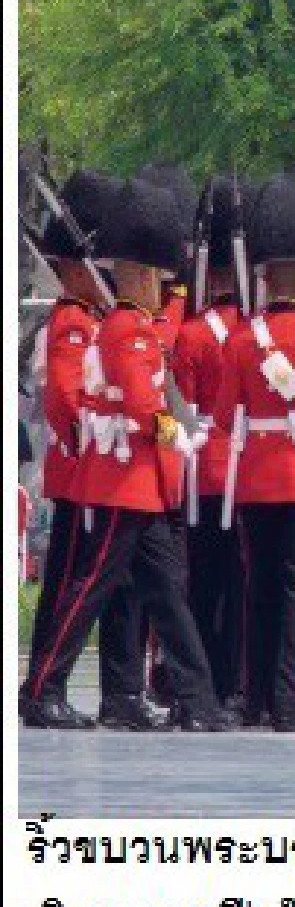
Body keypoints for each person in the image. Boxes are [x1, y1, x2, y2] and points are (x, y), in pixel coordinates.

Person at [21, 174, 234, 731]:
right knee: (87, 593)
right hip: (121, 483)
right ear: (139, 274)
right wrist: (178, 434)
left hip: (140, 486)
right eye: (157, 278)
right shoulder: (125, 329)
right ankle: (42, 690)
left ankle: (198, 699)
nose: (163, 287)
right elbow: (142, 404)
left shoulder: (132, 325)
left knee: (167, 597)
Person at [208, 173, 295, 731]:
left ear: (264, 277)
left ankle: (258, 696)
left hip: (256, 477)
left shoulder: (244, 338)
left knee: (259, 586)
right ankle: (293, 701)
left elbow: (224, 416)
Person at [20, 167, 119, 730]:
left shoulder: (89, 316)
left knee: (64, 581)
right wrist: (95, 449)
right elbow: (65, 400)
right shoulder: (75, 321)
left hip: (83, 471)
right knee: (67, 586)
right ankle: (45, 687)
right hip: (81, 470)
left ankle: (41, 685)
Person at [175, 175, 249, 713]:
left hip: (203, 470)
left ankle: (202, 683)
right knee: (240, 585)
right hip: (245, 469)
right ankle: (233, 680)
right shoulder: (252, 328)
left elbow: (182, 405)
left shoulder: (192, 333)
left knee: (202, 583)